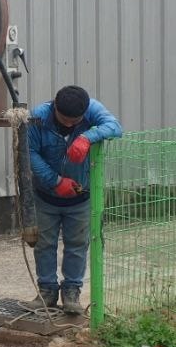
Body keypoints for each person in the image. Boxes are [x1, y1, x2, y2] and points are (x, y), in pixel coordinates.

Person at [22, 85, 122, 315]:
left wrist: (87, 137)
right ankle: (47, 291)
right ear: (55, 107)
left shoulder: (92, 109)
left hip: (80, 198)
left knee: (77, 245)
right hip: (46, 196)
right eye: (64, 119)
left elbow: (115, 127)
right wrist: (55, 181)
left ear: (84, 113)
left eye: (74, 121)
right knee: (44, 244)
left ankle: (71, 292)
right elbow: (30, 153)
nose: (68, 125)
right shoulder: (38, 117)